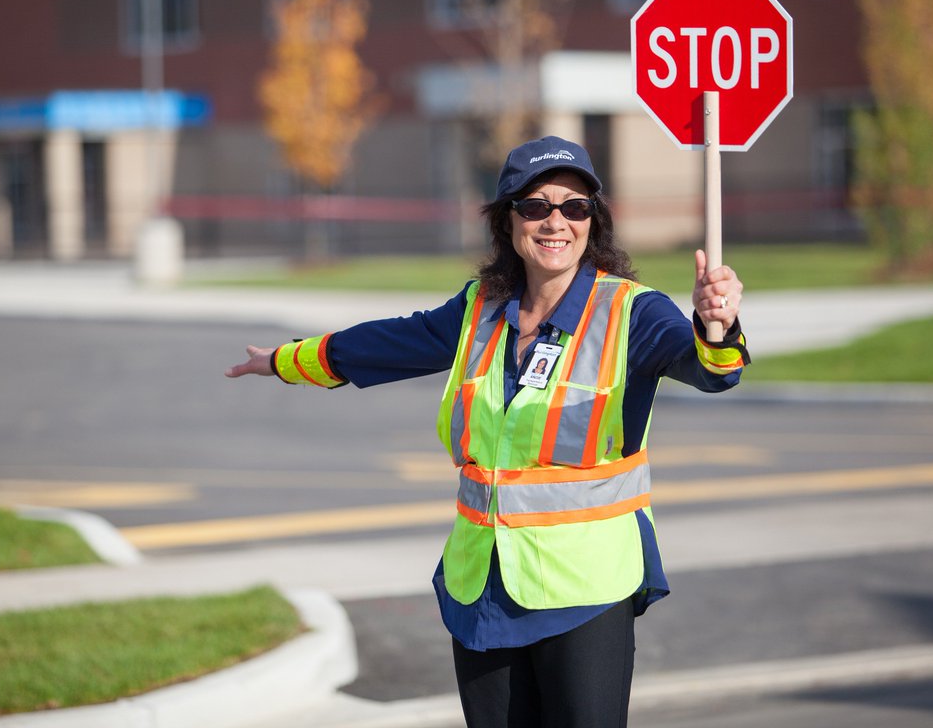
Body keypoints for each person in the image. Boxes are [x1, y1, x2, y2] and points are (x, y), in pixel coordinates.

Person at [226, 136, 749, 728]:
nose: (556, 222)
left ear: (593, 223)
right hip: (484, 588)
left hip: (585, 589)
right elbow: (389, 343)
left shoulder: (633, 311)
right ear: (507, 221)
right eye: (536, 206)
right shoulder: (480, 307)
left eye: (575, 207)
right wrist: (285, 361)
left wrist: (717, 327)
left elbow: (712, 372)